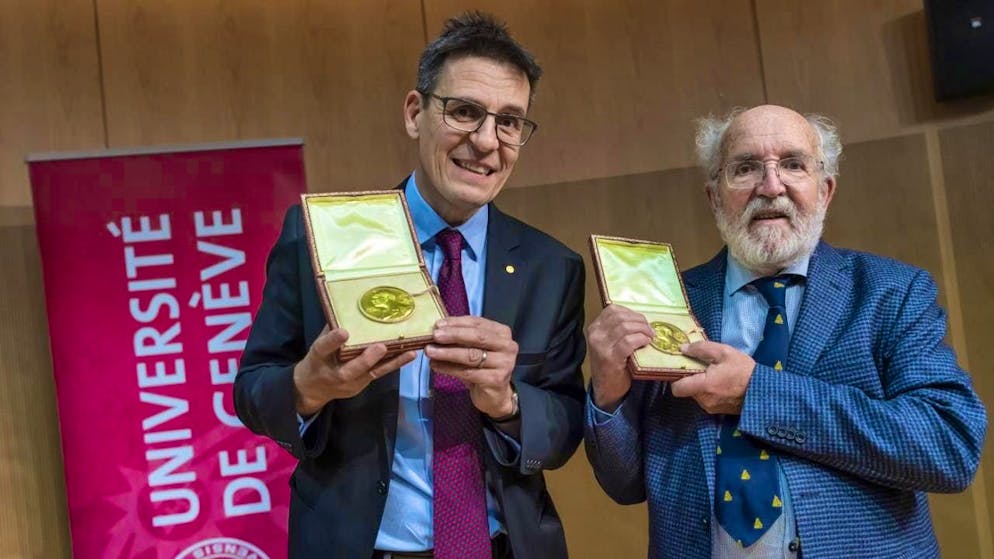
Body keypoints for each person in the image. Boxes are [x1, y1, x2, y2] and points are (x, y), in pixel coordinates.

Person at [234, 12, 586, 559]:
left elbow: (563, 427)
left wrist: (507, 401)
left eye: (510, 122)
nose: (487, 142)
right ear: (415, 113)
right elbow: (253, 392)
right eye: (465, 112)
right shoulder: (319, 240)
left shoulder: (552, 266)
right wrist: (311, 385)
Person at [583, 104, 987, 558]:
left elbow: (948, 447)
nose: (771, 186)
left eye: (793, 165)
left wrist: (757, 393)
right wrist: (608, 397)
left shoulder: (890, 292)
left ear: (825, 190)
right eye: (745, 168)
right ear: (714, 196)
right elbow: (625, 484)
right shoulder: (668, 304)